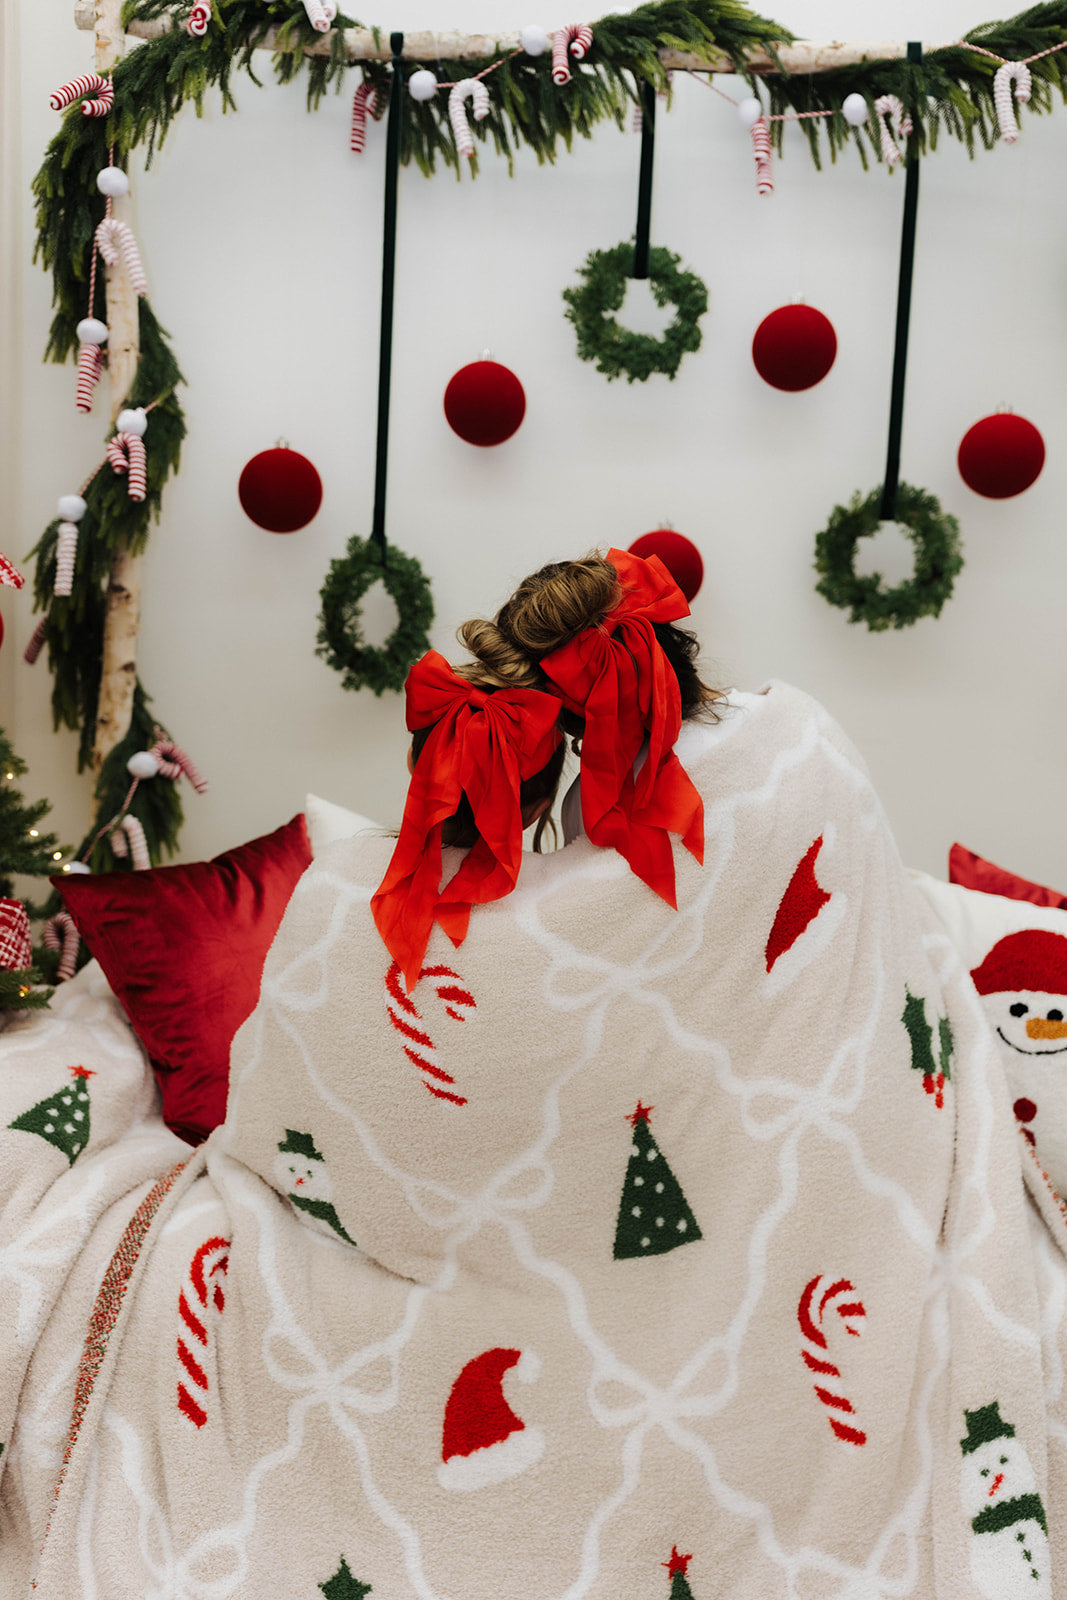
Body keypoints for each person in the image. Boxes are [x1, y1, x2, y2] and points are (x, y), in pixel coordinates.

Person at [3, 549, 1061, 1598]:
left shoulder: (352, 917)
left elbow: (282, 1117)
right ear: (668, 667)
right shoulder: (797, 761)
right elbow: (875, 961)